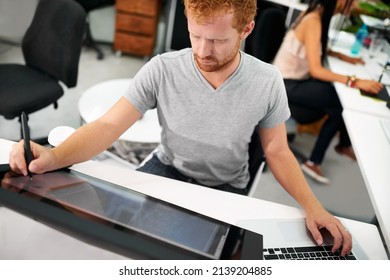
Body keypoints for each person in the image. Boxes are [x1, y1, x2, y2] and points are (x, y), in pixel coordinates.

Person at [9, 0, 352, 256]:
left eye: (217, 41)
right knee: (125, 245)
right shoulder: (162, 69)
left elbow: (276, 150)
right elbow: (108, 125)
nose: (202, 51)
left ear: (246, 30)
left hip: (225, 183)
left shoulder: (267, 81)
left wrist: (313, 206)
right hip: (167, 167)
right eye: (195, 35)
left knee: (203, 259)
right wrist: (53, 157)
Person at [273, 0, 383, 184]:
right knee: (338, 102)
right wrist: (355, 81)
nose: (351, 3)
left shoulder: (316, 14)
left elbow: (312, 48)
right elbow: (316, 70)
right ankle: (315, 161)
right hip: (286, 83)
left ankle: (341, 145)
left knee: (335, 99)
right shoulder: (314, 21)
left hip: (290, 78)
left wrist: (339, 55)